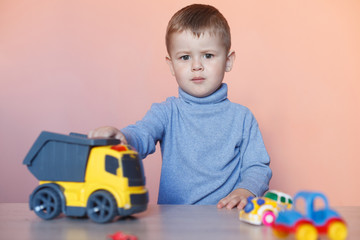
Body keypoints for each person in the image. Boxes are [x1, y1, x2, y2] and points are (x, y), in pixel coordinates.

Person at [88, 4, 272, 210]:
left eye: (208, 55)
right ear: (171, 65)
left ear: (228, 61)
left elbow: (257, 166)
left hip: (224, 220)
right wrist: (123, 137)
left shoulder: (242, 118)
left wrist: (245, 190)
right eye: (185, 57)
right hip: (174, 222)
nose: (196, 66)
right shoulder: (166, 112)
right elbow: (142, 134)